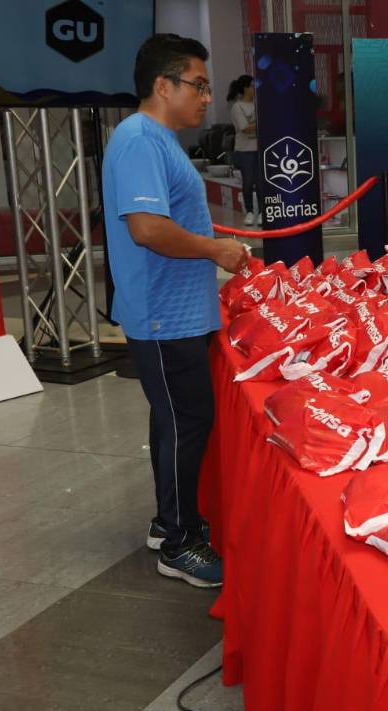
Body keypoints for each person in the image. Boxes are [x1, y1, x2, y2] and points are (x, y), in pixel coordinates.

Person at [102, 34, 249, 588]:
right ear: (163, 86)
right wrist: (217, 250)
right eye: (199, 86)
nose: (207, 98)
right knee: (187, 423)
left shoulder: (157, 140)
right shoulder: (140, 140)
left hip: (178, 313)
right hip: (163, 316)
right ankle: (182, 542)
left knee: (174, 421)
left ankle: (169, 524)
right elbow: (147, 229)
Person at [227, 74, 259, 226]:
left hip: (259, 148)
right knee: (248, 181)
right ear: (246, 88)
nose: (254, 88)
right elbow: (245, 128)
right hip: (244, 150)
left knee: (261, 182)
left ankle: (262, 213)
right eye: (252, 85)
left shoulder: (258, 105)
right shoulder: (237, 107)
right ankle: (249, 211)